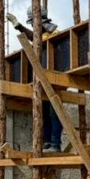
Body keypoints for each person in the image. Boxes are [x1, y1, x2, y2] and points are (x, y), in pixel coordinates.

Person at [39, 14, 65, 152]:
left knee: (54, 113)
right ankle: (47, 142)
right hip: (42, 79)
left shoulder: (53, 34)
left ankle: (55, 144)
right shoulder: (40, 37)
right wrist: (19, 27)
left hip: (55, 78)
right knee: (44, 113)